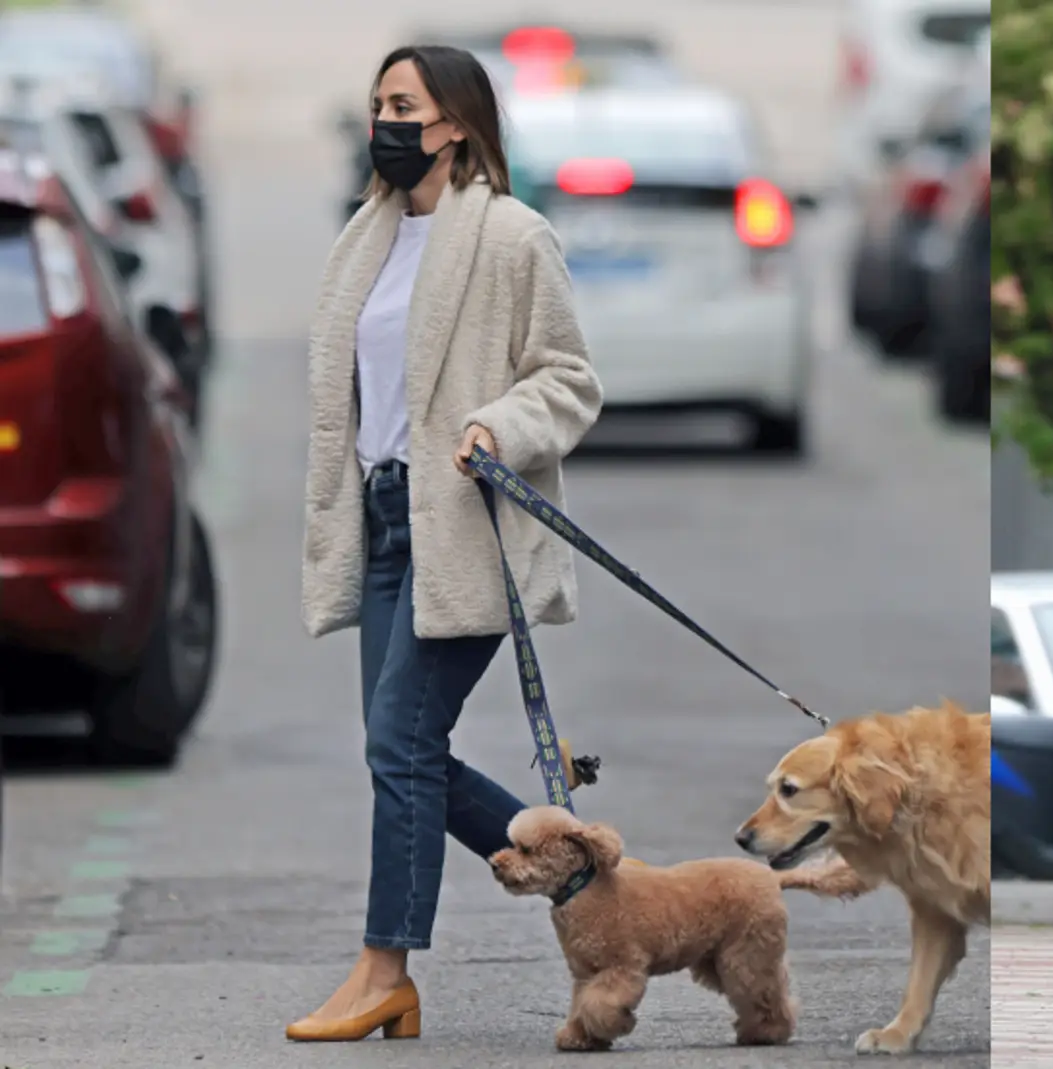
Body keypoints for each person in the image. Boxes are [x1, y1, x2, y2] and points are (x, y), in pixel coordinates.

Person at [289, 44, 603, 1042]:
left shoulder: (512, 238)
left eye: (403, 105)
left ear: (455, 124)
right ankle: (581, 872)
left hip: (463, 526)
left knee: (400, 741)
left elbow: (568, 377)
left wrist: (493, 426)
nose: (384, 121)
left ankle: (385, 965)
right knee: (401, 747)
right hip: (384, 519)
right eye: (377, 103)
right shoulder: (365, 239)